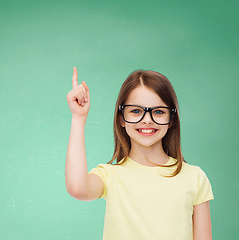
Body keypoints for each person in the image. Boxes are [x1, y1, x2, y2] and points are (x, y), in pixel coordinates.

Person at [65, 67, 214, 240]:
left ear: (171, 119)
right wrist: (78, 118)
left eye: (158, 111)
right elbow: (77, 188)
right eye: (136, 111)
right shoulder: (110, 175)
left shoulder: (195, 177)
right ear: (121, 118)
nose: (147, 119)